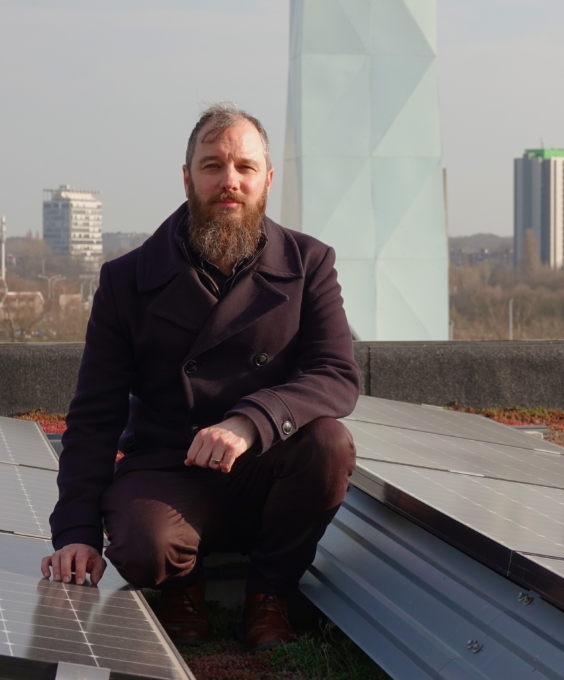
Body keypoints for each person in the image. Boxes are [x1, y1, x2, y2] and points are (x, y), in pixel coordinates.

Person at [41, 103, 360, 651]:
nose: (229, 181)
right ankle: (182, 587)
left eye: (244, 167)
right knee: (143, 548)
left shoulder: (310, 263)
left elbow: (336, 375)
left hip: (267, 464)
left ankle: (270, 594)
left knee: (330, 444)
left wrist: (251, 420)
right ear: (187, 177)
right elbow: (95, 418)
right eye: (212, 166)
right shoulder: (126, 280)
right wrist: (75, 533)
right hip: (168, 466)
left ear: (267, 180)